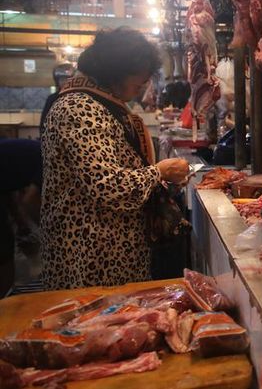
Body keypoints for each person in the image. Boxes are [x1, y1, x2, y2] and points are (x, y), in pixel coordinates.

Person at [40, 27, 189, 290]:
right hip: (91, 260)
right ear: (116, 71)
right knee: (93, 327)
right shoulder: (79, 108)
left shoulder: (102, 103)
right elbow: (108, 186)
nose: (143, 83)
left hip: (112, 254)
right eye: (140, 75)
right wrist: (160, 172)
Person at [0, 139, 42, 296]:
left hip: (3, 188)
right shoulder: (48, 156)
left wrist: (22, 223)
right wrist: (46, 229)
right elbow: (30, 199)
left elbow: (11, 193)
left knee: (5, 244)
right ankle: (5, 303)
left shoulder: (27, 153)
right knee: (3, 248)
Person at [40, 63, 75, 135]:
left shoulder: (78, 98)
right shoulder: (52, 98)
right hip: (54, 136)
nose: (65, 82)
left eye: (68, 79)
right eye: (62, 79)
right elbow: (43, 123)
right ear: (57, 81)